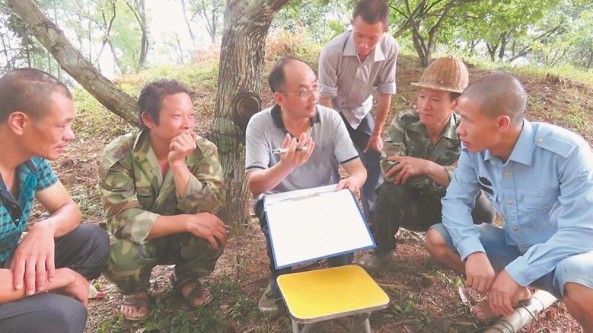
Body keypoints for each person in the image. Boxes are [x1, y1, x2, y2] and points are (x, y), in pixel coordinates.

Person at [425, 72, 593, 330]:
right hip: (517, 246)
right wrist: (473, 251)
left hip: (562, 257)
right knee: (439, 238)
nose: (459, 130)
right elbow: (455, 203)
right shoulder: (474, 150)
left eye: (467, 120)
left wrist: (517, 272)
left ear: (501, 123)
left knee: (583, 284)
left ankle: (513, 285)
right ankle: (509, 295)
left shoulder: (567, 151)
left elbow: (581, 233)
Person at [246, 56, 367, 317]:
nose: (313, 96)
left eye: (315, 87)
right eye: (303, 92)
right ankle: (280, 280)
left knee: (345, 217)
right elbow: (255, 186)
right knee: (278, 229)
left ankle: (340, 277)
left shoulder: (331, 119)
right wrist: (286, 165)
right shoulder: (260, 124)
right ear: (279, 99)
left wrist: (353, 182)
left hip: (324, 197)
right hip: (280, 202)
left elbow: (358, 169)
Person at [100, 79, 227, 321]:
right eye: (177, 117)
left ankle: (186, 277)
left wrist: (179, 165)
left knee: (213, 232)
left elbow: (210, 206)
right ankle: (136, 290)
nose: (188, 125)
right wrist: (187, 222)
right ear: (149, 119)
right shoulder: (119, 154)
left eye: (191, 115)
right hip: (142, 240)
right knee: (117, 252)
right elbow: (122, 219)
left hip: (182, 240)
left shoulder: (203, 150)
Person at [358, 56, 496, 272]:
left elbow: (471, 181)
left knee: (484, 210)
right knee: (389, 192)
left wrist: (425, 167)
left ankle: (459, 247)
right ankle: (383, 249)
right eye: (422, 96)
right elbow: (390, 169)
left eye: (435, 100)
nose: (424, 105)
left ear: (455, 103)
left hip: (450, 207)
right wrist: (446, 174)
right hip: (411, 206)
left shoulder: (465, 130)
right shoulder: (405, 121)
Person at [0, 68, 109, 333]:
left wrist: (44, 228)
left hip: (6, 268)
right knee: (64, 316)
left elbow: (68, 209)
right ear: (19, 122)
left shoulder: (31, 159)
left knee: (92, 240)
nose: (70, 135)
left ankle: (32, 307)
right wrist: (64, 277)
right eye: (61, 125)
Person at [318, 0, 398, 224]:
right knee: (328, 161)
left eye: (373, 38)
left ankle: (372, 218)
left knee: (373, 158)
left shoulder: (390, 48)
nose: (364, 44)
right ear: (351, 24)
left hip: (361, 110)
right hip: (331, 109)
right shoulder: (332, 51)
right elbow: (325, 97)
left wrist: (377, 133)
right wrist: (333, 139)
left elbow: (385, 91)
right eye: (359, 35)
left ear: (385, 31)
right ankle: (332, 217)